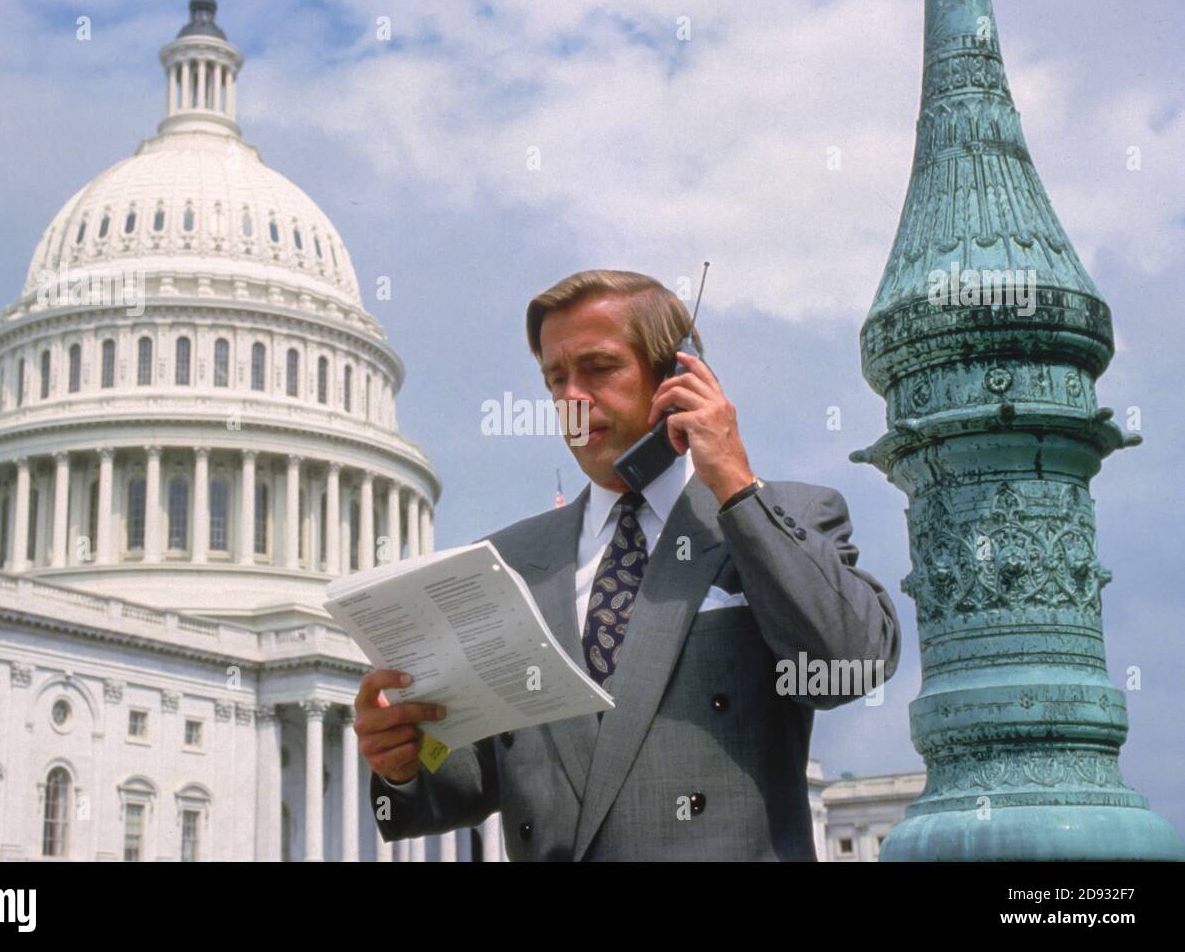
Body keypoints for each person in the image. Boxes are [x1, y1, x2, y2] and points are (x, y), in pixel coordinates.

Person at [355, 269, 900, 860]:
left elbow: (853, 663)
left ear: (678, 375)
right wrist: (403, 764)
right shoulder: (507, 562)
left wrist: (736, 488)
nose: (571, 399)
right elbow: (470, 779)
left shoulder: (781, 515)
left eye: (599, 367)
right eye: (555, 379)